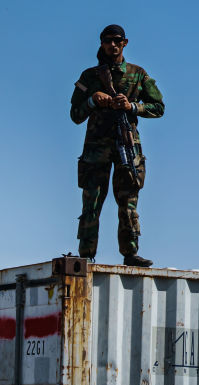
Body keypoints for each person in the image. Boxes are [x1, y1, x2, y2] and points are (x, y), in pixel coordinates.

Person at [71, 24, 164, 267]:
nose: (112, 45)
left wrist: (132, 106)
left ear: (125, 43)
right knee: (92, 202)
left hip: (126, 146)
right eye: (107, 41)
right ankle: (86, 255)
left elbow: (159, 107)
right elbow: (75, 114)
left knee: (128, 202)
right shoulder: (90, 77)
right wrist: (93, 99)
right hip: (96, 148)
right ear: (101, 44)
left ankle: (131, 253)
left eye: (116, 40)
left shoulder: (137, 74)